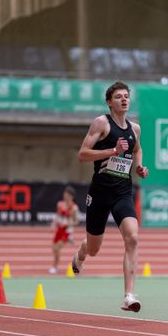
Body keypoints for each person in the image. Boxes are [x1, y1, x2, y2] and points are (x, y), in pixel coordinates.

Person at [71, 81, 149, 313]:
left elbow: (137, 149)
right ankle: (80, 254)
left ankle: (129, 296)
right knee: (94, 248)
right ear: (109, 102)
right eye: (118, 97)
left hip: (122, 192)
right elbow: (82, 155)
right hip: (100, 193)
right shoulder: (101, 123)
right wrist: (112, 151)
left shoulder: (134, 129)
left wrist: (139, 166)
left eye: (126, 96)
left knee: (132, 238)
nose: (124, 100)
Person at [49, 185, 79, 274]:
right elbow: (58, 215)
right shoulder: (60, 204)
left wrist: (68, 223)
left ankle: (54, 267)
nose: (65, 196)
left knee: (57, 248)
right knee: (54, 248)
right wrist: (54, 223)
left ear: (71, 196)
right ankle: (56, 265)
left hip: (67, 231)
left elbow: (76, 222)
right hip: (59, 229)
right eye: (64, 194)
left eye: (67, 195)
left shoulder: (74, 208)